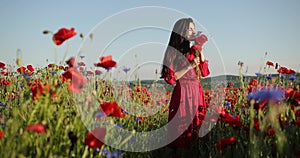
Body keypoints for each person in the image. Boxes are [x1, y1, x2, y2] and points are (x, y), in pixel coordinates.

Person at [160, 18, 210, 152]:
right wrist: (189, 66)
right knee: (180, 125)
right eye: (190, 29)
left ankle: (196, 152)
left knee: (197, 124)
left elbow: (204, 72)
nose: (194, 32)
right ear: (181, 31)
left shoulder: (194, 50)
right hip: (182, 92)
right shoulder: (172, 52)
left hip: (196, 92)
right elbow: (170, 78)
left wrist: (200, 48)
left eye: (194, 29)